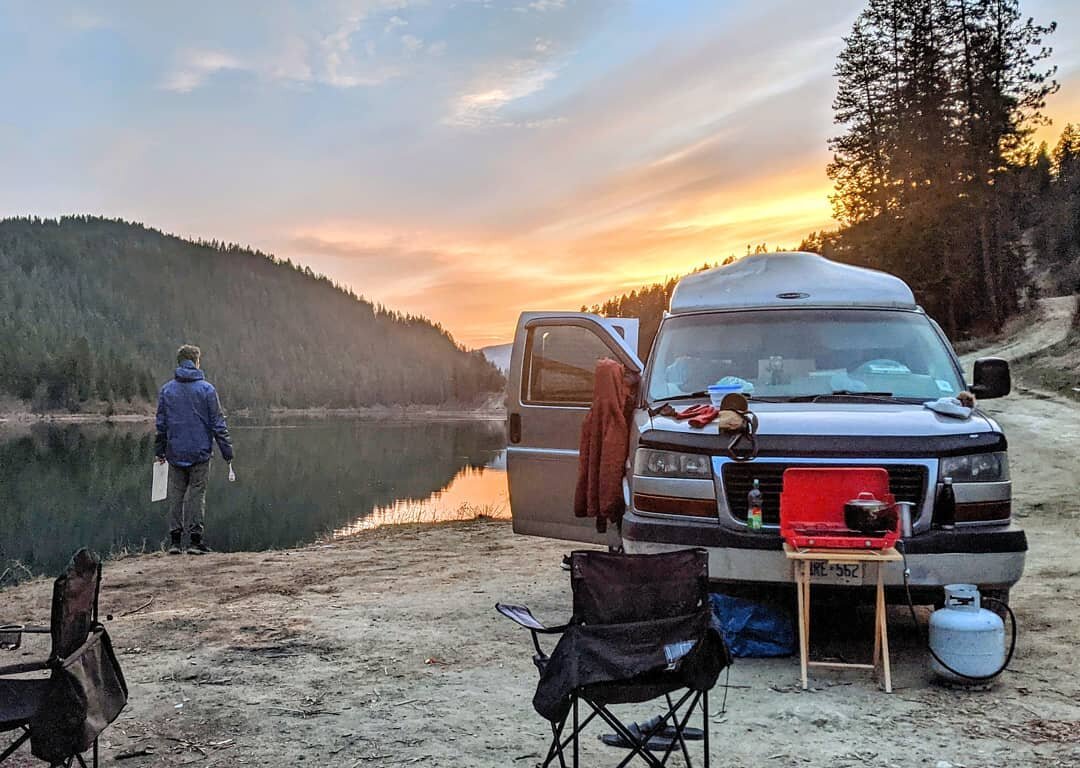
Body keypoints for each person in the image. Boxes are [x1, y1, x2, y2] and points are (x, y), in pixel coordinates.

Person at [155, 344, 234, 555]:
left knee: (176, 495)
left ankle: (174, 542)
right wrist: (227, 452)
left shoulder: (166, 390)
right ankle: (195, 542)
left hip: (175, 452)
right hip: (200, 453)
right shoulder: (207, 390)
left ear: (179, 362)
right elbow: (218, 424)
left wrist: (159, 451)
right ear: (197, 362)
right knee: (197, 496)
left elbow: (161, 424)